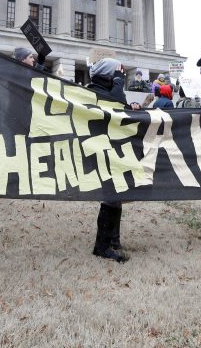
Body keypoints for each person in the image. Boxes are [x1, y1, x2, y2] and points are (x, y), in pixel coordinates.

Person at [88, 58, 140, 263]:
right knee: (110, 196)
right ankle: (102, 246)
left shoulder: (111, 87)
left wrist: (132, 106)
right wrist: (119, 82)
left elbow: (122, 109)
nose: (121, 73)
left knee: (116, 195)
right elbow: (114, 105)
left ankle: (113, 240)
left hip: (114, 148)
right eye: (117, 70)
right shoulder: (94, 88)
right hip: (100, 149)